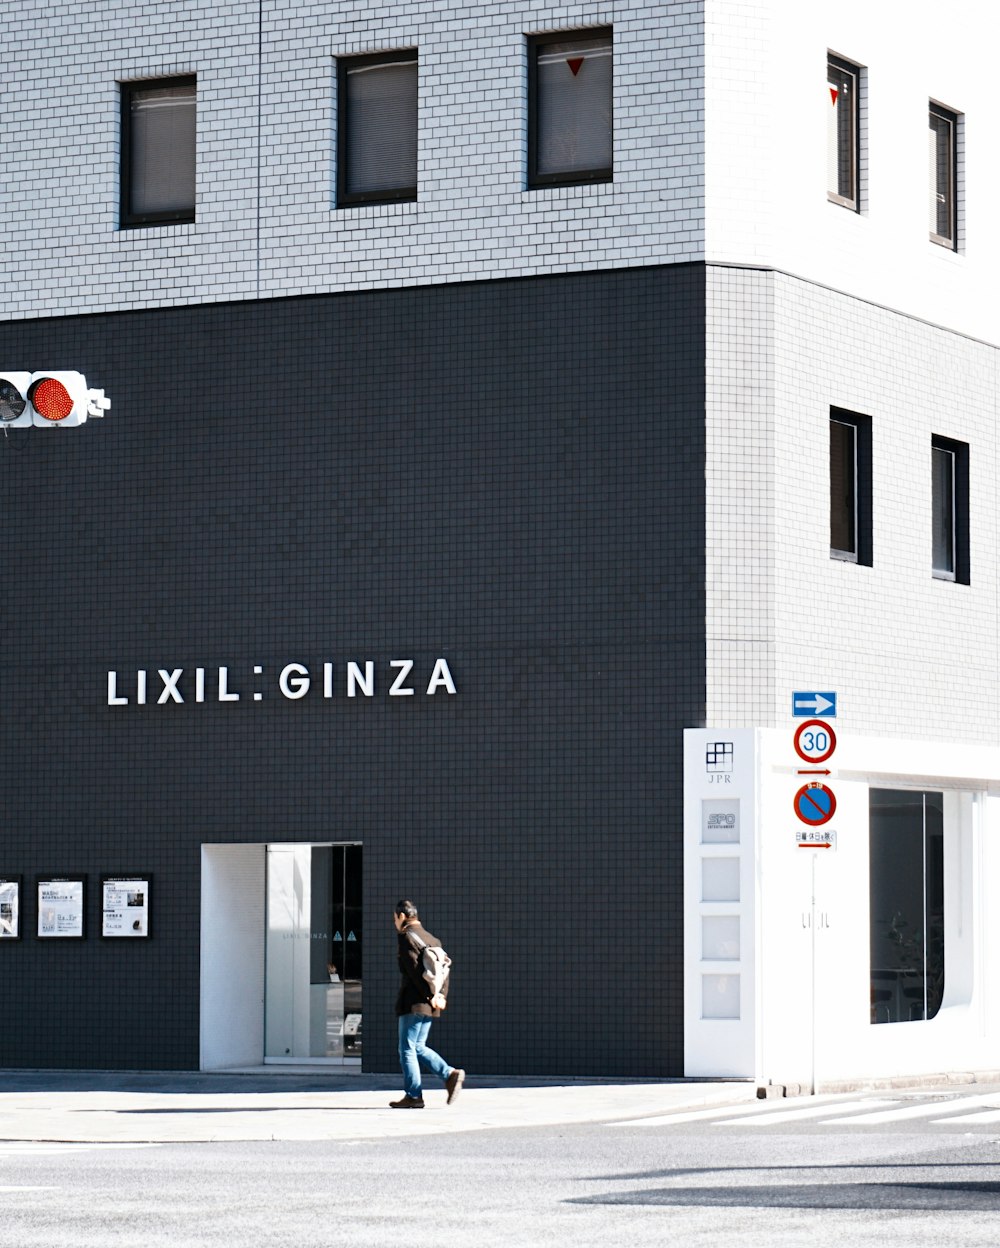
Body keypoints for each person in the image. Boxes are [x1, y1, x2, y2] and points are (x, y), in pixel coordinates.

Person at [390, 899, 465, 1109]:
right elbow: (444, 970)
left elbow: (415, 972)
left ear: (402, 916)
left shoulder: (406, 937)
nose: (395, 922)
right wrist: (440, 995)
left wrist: (428, 996)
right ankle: (449, 1075)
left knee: (406, 1048)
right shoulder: (432, 939)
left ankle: (414, 1095)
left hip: (414, 1002)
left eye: (395, 918)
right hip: (430, 1003)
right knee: (418, 1046)